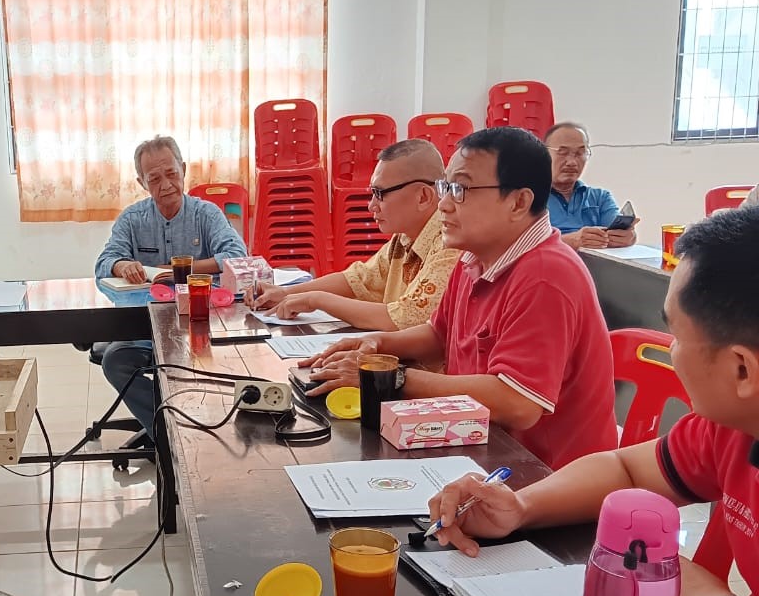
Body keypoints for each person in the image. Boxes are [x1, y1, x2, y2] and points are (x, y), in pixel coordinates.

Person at [429, 206, 759, 596]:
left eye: (677, 335)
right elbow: (625, 467)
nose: (671, 351)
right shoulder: (730, 429)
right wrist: (522, 507)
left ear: (741, 371)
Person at [301, 127, 617, 470]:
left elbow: (518, 403)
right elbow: (439, 336)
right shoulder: (475, 259)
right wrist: (378, 345)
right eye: (445, 187)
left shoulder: (546, 275)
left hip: (544, 477)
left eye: (461, 189)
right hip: (483, 449)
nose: (445, 204)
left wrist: (391, 379)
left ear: (518, 202)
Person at [94, 135, 247, 437]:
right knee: (115, 361)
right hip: (147, 328)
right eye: (154, 179)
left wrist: (174, 270)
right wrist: (121, 264)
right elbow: (103, 263)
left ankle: (199, 430)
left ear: (184, 170)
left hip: (201, 324)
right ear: (142, 183)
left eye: (171, 174)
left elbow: (235, 256)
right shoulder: (133, 219)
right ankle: (167, 435)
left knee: (231, 361)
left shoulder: (205, 214)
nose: (165, 185)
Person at [249, 139, 458, 330]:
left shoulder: (450, 243)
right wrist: (286, 294)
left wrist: (316, 300)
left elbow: (403, 319)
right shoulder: (404, 239)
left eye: (380, 194)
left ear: (423, 196)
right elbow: (358, 279)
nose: (371, 206)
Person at [544, 122, 637, 250]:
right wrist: (570, 241)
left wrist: (628, 237)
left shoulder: (600, 198)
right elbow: (517, 245)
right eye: (563, 152)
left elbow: (614, 234)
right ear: (544, 154)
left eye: (579, 153)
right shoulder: (529, 198)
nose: (571, 162)